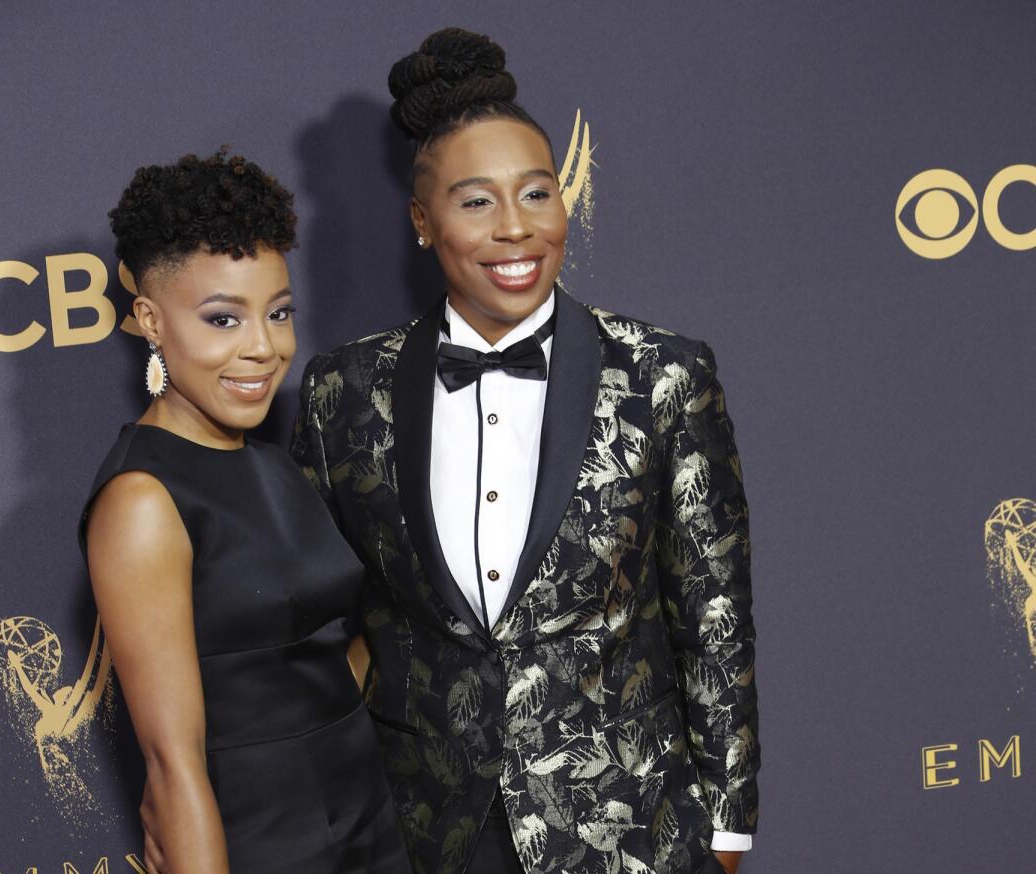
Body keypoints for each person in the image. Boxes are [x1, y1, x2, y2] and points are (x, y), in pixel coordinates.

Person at [291, 28, 760, 874]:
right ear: (423, 222)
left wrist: (726, 832)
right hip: (427, 830)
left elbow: (714, 614)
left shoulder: (663, 375)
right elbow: (321, 623)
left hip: (631, 828)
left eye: (537, 194)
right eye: (476, 202)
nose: (516, 228)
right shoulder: (342, 393)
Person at [84, 149, 410, 874]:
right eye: (223, 319)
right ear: (150, 320)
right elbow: (174, 769)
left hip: (370, 824)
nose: (264, 348)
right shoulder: (141, 500)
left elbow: (317, 654)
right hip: (265, 845)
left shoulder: (269, 461)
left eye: (280, 313)